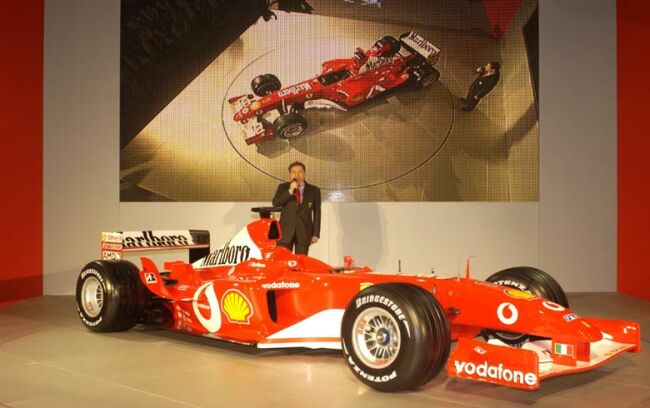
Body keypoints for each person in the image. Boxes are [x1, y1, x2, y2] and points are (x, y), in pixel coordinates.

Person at [272, 161, 321, 255]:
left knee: (300, 264)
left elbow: (317, 212)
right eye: (294, 172)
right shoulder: (283, 187)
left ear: (305, 174)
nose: (297, 174)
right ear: (289, 175)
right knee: (283, 262)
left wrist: (315, 233)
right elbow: (276, 203)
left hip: (304, 232)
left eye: (300, 171)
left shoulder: (314, 190)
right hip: (285, 232)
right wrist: (290, 191)